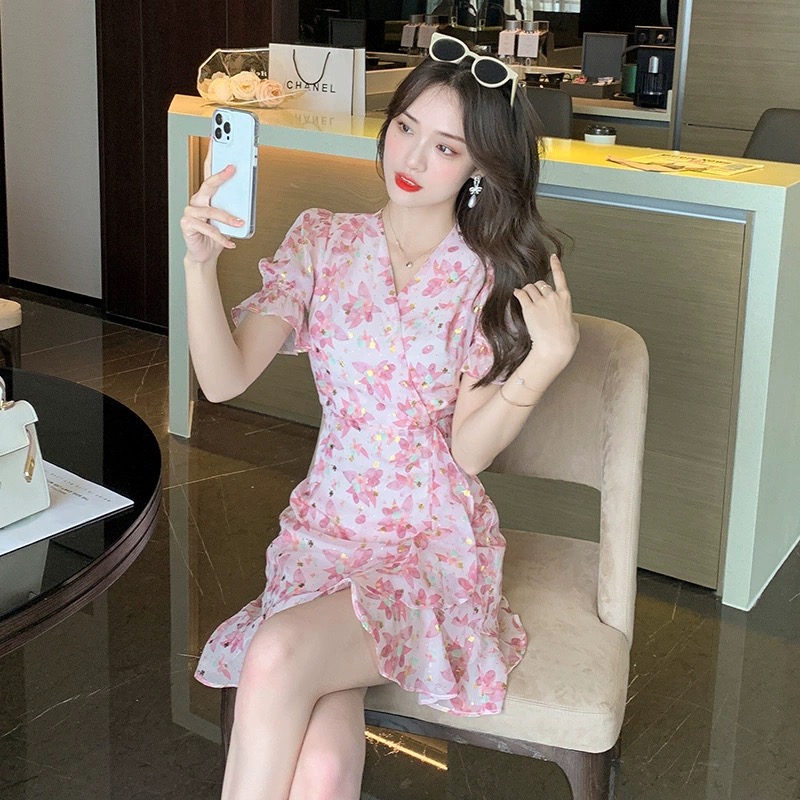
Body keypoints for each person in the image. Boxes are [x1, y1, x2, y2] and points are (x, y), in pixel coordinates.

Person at [180, 33, 579, 800]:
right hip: (327, 531)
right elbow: (223, 381)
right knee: (323, 768)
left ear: (478, 169)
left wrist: (545, 361)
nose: (413, 157)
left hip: (429, 542)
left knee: (275, 655)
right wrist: (199, 267)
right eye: (405, 127)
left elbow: (469, 452)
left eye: (445, 147)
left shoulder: (485, 278)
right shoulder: (323, 242)